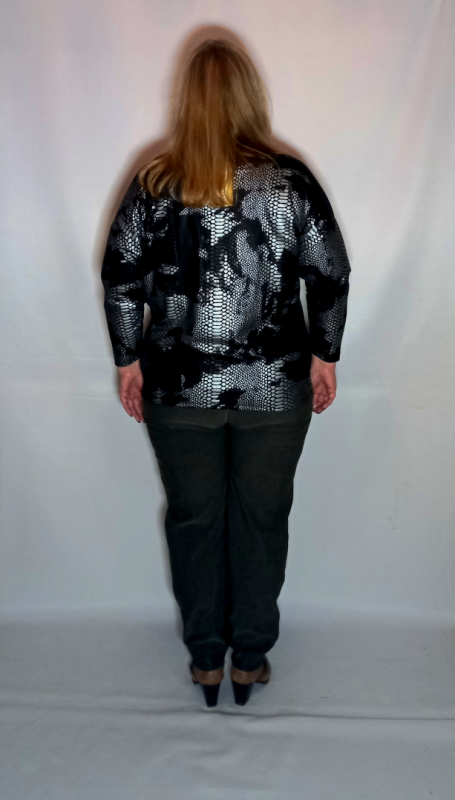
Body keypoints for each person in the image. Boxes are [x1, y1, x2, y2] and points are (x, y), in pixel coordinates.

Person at [101, 38, 351, 708]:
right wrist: (325, 354)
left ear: (185, 100)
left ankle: (206, 658)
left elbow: (120, 279)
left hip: (178, 387)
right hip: (276, 386)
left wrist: (128, 360)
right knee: (260, 519)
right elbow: (330, 274)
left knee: (195, 520)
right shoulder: (290, 182)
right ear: (250, 96)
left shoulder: (154, 184)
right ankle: (250, 657)